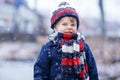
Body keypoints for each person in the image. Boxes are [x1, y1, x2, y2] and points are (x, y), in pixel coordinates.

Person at [34, 2, 99, 80]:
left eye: (73, 25)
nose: (69, 27)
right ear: (55, 27)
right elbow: (40, 70)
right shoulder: (49, 47)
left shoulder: (83, 47)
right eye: (64, 24)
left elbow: (92, 69)